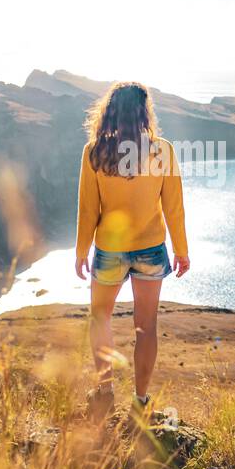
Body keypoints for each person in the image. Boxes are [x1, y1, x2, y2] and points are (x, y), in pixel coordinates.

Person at [74, 82, 189, 420]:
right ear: (144, 111)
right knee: (146, 327)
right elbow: (174, 207)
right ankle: (140, 400)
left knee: (100, 318)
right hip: (151, 250)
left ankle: (105, 391)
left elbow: (87, 209)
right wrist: (181, 250)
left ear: (110, 110)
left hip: (109, 249)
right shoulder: (162, 151)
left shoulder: (94, 152)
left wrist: (81, 250)